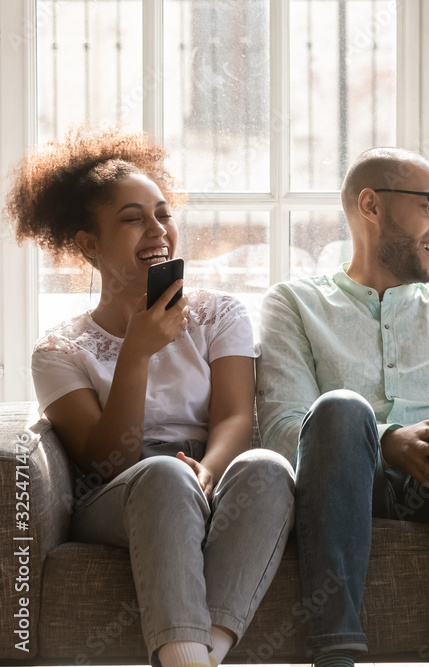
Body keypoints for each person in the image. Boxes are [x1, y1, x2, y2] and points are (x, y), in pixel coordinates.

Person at [5, 127, 295, 667]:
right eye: (133, 218)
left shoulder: (219, 314)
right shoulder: (59, 350)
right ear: (88, 244)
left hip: (211, 471)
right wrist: (135, 354)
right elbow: (104, 457)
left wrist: (208, 471)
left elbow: (235, 416)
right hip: (121, 490)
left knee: (269, 465)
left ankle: (201, 654)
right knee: (164, 474)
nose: (158, 229)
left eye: (163, 213)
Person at [254, 147, 429, 667]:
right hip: (349, 488)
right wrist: (385, 441)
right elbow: (282, 430)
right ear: (371, 206)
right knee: (338, 408)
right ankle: (334, 654)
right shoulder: (293, 302)